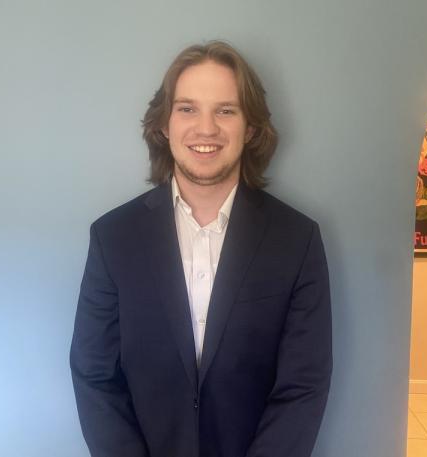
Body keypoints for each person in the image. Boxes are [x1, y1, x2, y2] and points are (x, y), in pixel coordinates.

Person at [70, 40, 332, 457]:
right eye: (187, 108)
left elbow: (303, 386)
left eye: (225, 110)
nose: (206, 128)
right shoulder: (112, 237)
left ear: (249, 128)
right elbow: (93, 375)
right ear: (164, 124)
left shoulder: (297, 239)